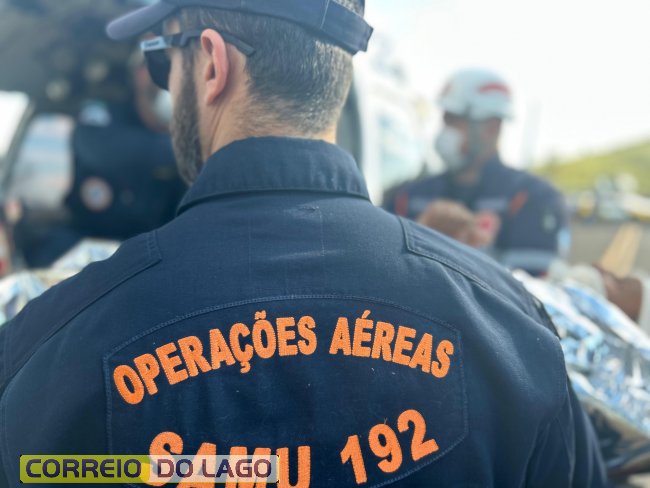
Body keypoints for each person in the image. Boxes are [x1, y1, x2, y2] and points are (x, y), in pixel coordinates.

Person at [0, 1, 607, 486]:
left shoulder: (48, 355)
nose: (165, 88)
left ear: (211, 64)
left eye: (164, 64)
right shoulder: (511, 333)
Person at [385, 68, 570, 276]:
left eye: (455, 120)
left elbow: (528, 290)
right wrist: (421, 235)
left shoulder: (534, 199)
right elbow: (381, 272)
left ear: (491, 128)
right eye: (445, 119)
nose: (445, 130)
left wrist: (452, 250)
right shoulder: (407, 197)